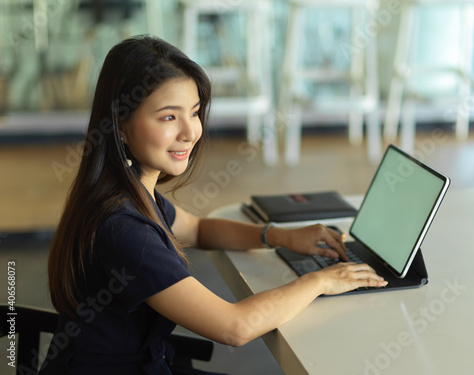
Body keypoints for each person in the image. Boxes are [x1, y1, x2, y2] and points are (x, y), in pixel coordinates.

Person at [39, 35, 386, 375]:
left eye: (194, 112)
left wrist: (281, 236)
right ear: (120, 127)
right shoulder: (124, 228)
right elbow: (234, 327)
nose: (191, 131)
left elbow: (198, 228)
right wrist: (320, 281)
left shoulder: (125, 191)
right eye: (168, 117)